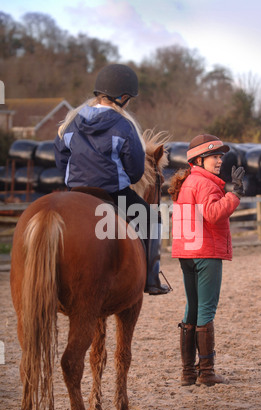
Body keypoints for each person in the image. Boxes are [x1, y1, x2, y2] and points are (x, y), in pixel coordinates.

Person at [54, 63, 170, 295]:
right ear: (124, 97)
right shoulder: (124, 125)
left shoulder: (71, 121)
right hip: (112, 193)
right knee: (153, 219)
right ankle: (151, 280)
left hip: (75, 193)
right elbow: (136, 170)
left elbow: (60, 158)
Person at [168, 134, 245, 386]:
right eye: (215, 156)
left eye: (221, 156)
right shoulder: (206, 184)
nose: (220, 160)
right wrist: (234, 195)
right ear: (199, 159)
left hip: (187, 253)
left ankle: (188, 373)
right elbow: (213, 214)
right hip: (206, 252)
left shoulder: (188, 182)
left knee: (192, 307)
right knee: (206, 309)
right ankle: (207, 373)